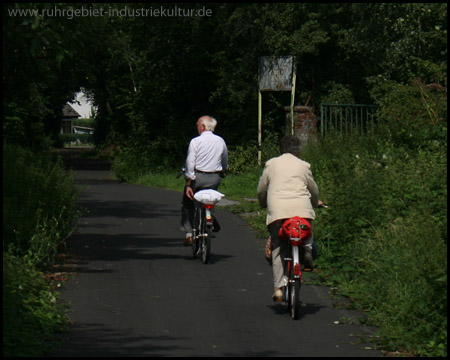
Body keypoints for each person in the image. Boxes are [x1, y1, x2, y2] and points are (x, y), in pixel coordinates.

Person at [257, 135, 322, 302]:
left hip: (278, 211)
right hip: (301, 210)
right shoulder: (304, 166)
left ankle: (278, 288)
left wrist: (263, 203)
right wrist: (315, 203)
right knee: (305, 229)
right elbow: (313, 189)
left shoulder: (271, 164)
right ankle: (307, 249)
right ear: (298, 151)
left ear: (281, 150)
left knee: (278, 247)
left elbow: (262, 188)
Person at [181, 115, 228, 246]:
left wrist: (189, 182)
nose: (197, 127)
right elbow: (224, 161)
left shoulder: (196, 141)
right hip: (214, 178)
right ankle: (210, 219)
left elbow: (190, 162)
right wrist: (223, 171)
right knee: (209, 199)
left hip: (198, 178)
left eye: (197, 125)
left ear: (203, 126)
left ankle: (189, 233)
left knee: (188, 202)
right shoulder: (220, 141)